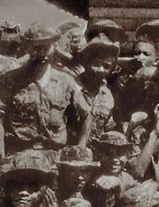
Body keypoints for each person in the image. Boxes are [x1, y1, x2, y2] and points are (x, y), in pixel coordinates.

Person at [0, 24, 92, 156]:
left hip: (54, 159)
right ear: (28, 49)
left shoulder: (66, 81)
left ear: (54, 48)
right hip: (18, 156)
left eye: (46, 47)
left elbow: (86, 115)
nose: (42, 53)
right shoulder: (10, 79)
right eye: (36, 47)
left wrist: (81, 147)